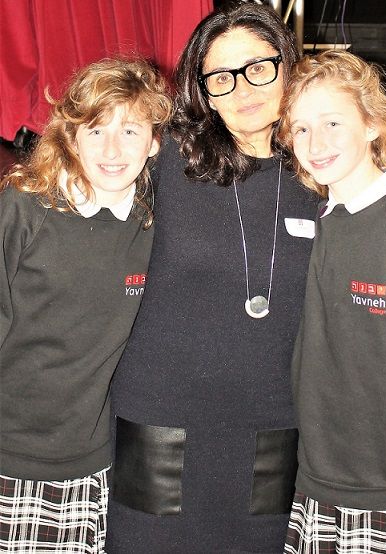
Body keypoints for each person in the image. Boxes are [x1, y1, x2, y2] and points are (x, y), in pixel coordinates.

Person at [106, 2, 318, 553]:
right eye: (220, 77)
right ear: (202, 89)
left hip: (271, 422)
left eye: (258, 67)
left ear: (287, 63)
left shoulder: (322, 171)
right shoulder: (165, 160)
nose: (243, 88)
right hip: (160, 414)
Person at [278, 49, 386, 553]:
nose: (316, 143)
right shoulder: (324, 220)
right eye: (301, 129)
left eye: (332, 122)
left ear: (373, 123)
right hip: (319, 481)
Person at [0, 58, 171, 553]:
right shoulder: (25, 208)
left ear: (154, 143)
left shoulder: (155, 225)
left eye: (131, 130)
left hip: (90, 465)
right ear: (71, 138)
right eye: (96, 131)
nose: (113, 150)